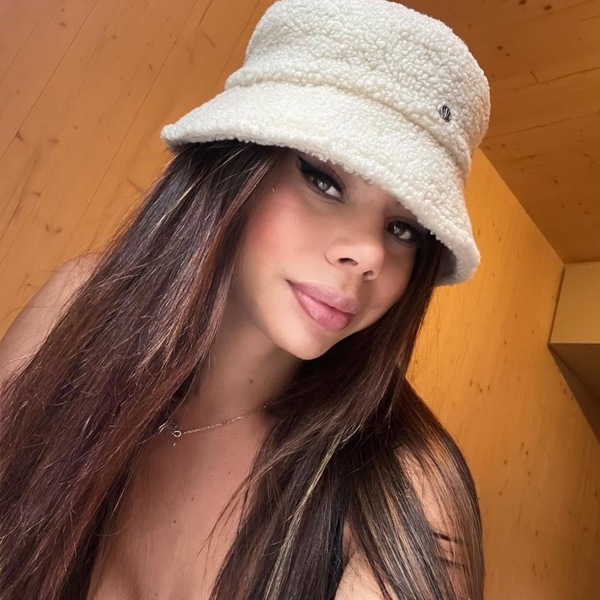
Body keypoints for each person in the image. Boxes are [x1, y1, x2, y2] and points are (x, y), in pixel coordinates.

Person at [0, 0, 490, 598]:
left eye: (403, 229)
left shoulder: (400, 490)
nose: (369, 253)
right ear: (233, 165)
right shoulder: (78, 308)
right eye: (324, 179)